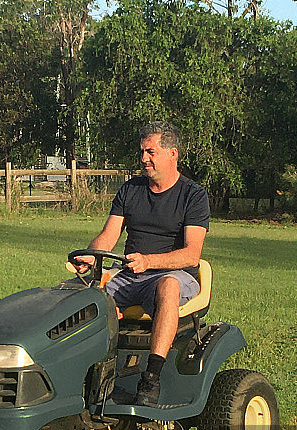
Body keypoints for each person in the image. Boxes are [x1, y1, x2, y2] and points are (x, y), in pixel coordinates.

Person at [72, 121, 209, 407]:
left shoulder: (193, 195)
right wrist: (90, 254)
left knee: (169, 287)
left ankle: (151, 377)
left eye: (151, 152)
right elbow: (109, 236)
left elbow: (191, 255)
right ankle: (79, 374)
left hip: (172, 274)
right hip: (129, 274)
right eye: (142, 152)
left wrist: (148, 262)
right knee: (75, 294)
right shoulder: (130, 190)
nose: (144, 159)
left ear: (172, 154)